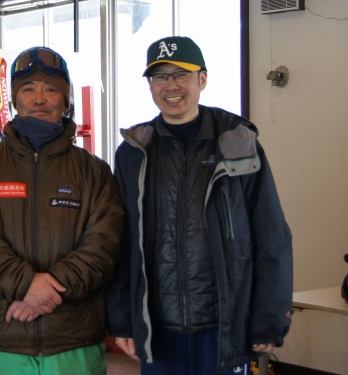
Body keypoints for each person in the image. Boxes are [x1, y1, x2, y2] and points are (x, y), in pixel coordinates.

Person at [106, 36, 293, 375]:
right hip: (159, 327)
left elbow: (272, 235)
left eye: (181, 74)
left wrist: (269, 318)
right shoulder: (135, 151)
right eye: (160, 76)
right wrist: (121, 320)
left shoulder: (237, 142)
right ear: (150, 85)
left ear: (202, 79)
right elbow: (122, 243)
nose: (171, 85)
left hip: (223, 324)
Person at [0, 46, 125, 375]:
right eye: (28, 89)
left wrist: (51, 287)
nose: (39, 99)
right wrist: (27, 287)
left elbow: (103, 247)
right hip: (5, 339)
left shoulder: (94, 172)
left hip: (74, 341)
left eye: (51, 89)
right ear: (15, 100)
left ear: (66, 99)